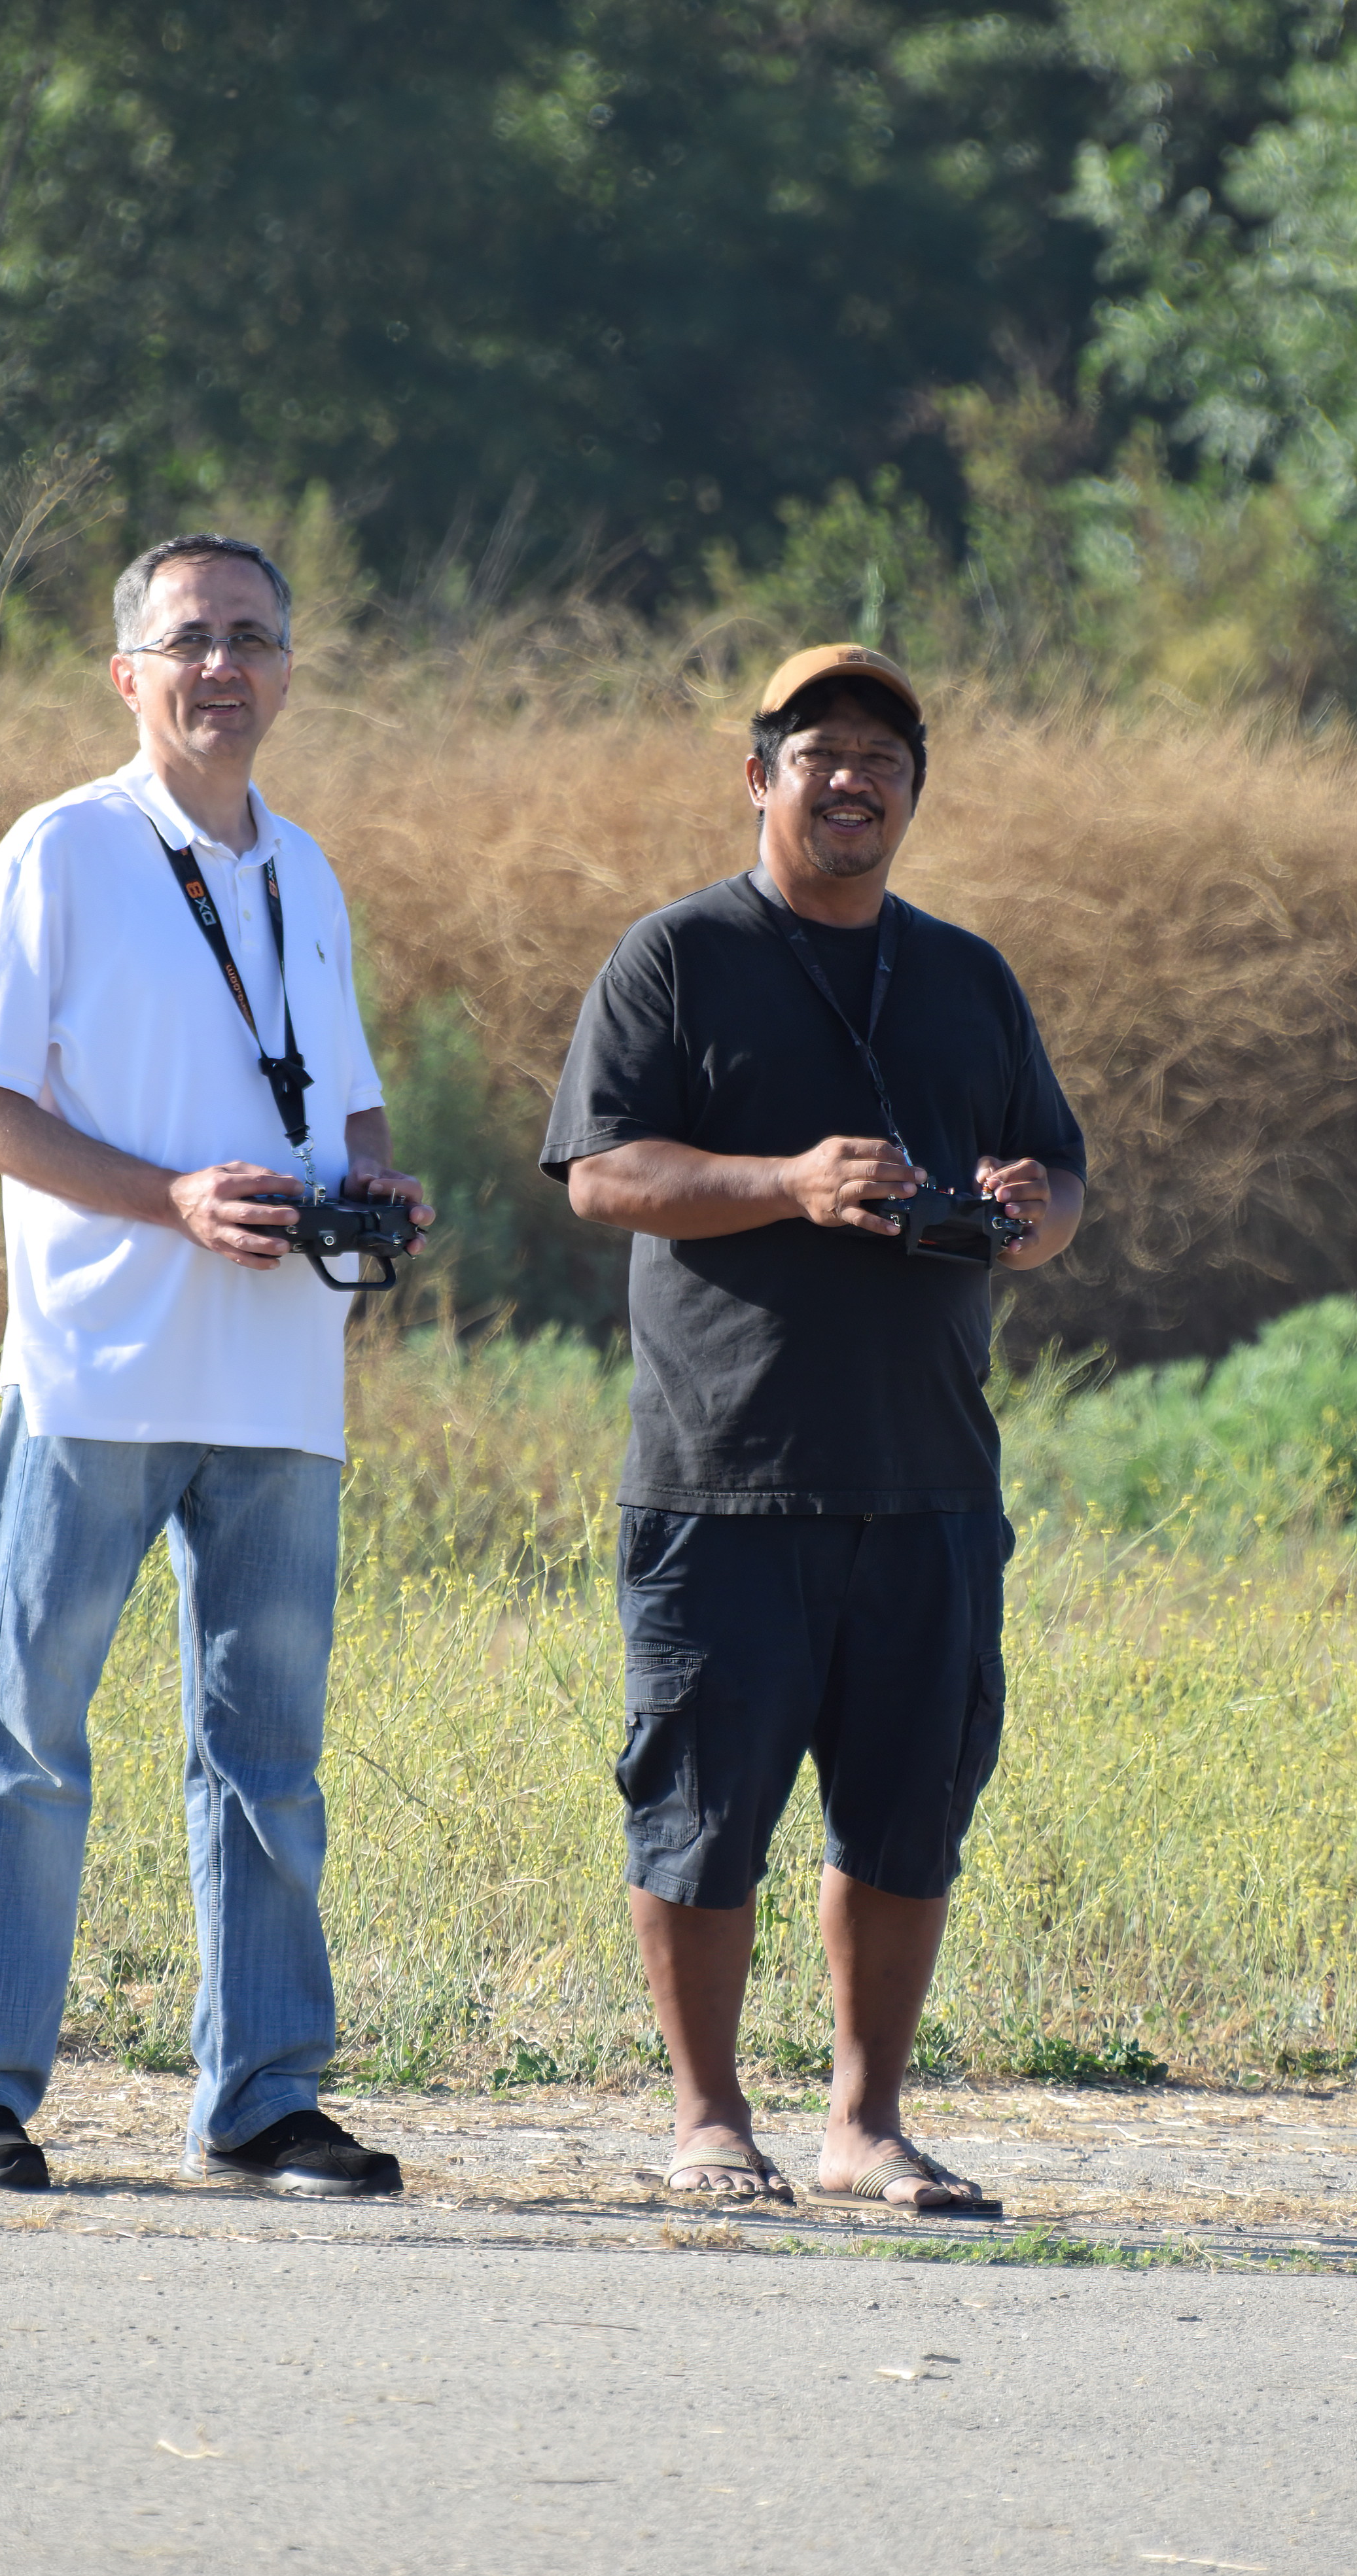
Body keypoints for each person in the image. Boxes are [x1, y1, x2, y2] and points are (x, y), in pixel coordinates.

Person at [0, 532, 430, 2199]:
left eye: (255, 640)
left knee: (267, 1756)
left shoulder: (307, 871)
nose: (224, 669)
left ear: (289, 672)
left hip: (279, 1376)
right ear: (127, 672)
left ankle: (262, 2098)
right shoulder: (64, 850)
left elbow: (340, 1097)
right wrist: (169, 1200)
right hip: (100, 1370)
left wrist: (374, 1193)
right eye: (190, 639)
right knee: (29, 1730)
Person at [540, 644, 1089, 2214]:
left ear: (913, 793)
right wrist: (791, 1181)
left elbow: (1055, 1176)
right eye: (822, 752)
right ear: (759, 775)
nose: (854, 780)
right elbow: (602, 1175)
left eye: (884, 760)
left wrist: (1029, 1212)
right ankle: (710, 2116)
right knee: (704, 1809)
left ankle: (865, 2123)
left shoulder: (969, 976)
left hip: (929, 1475)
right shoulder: (676, 958)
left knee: (909, 1805)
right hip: (729, 1474)